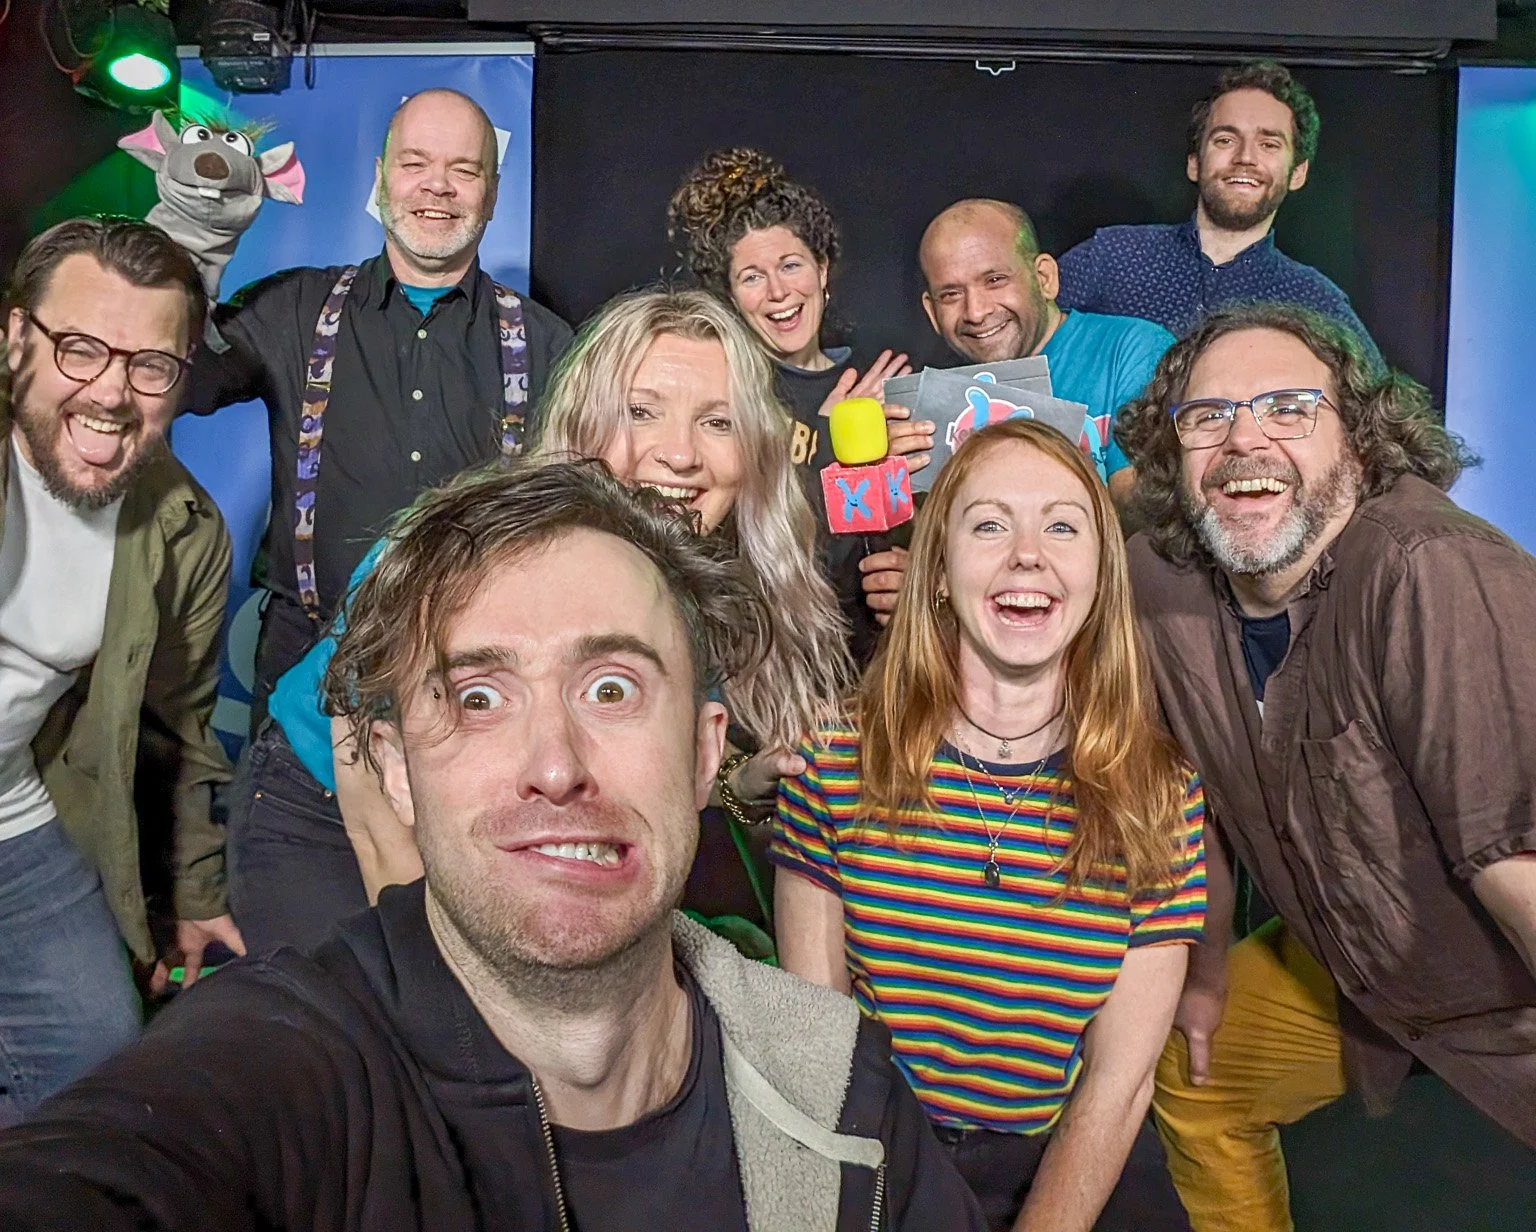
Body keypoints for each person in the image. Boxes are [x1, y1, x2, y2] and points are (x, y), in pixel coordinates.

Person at [0, 459, 985, 1232]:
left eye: (611, 689)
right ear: (395, 771)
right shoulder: (286, 1066)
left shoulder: (835, 1080)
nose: (555, 767)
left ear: (703, 752)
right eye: (479, 698)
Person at [258, 288, 853, 951]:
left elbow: (632, 754)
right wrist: (438, 986)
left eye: (717, 422)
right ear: (583, 421)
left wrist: (740, 784)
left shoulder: (694, 581)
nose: (681, 454)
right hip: (329, 811)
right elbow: (370, 787)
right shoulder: (472, 553)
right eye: (640, 412)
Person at [1114, 303, 1536, 1232]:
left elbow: (1517, 865)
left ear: (1361, 438)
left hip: (1509, 994)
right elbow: (1194, 802)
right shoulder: (1160, 583)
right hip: (1354, 965)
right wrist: (1206, 973)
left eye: (1289, 407)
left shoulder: (1431, 570)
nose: (1244, 440)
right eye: (1208, 416)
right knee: (1200, 1079)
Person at [774, 418, 1207, 1232]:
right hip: (885, 1152)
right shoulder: (836, 759)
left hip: (1062, 1153)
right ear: (938, 573)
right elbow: (818, 1047)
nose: (1028, 555)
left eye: (1062, 527)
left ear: (1100, 576)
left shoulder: (1159, 793)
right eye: (989, 526)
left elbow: (1118, 1084)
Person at [176, 90, 572, 948]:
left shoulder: (547, 347)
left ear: (492, 191)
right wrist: (191, 253)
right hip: (303, 713)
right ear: (382, 177)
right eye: (416, 164)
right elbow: (181, 381)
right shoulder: (294, 308)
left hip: (470, 712)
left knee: (455, 971)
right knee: (307, 972)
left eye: (464, 169)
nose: (438, 187)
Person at [0, 217, 239, 1121]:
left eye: (151, 366)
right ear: (16, 338)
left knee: (99, 1068)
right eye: (80, 348)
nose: (111, 392)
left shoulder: (186, 531)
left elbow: (177, 730)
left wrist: (192, 894)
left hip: (12, 816)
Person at [859, 198, 1174, 626]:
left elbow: (1147, 515)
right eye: (951, 294)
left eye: (994, 280)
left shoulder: (1133, 349)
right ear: (932, 312)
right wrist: (914, 566)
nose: (976, 311)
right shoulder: (930, 406)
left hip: (1119, 634)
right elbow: (937, 567)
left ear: (1044, 278)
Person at [669, 147, 910, 657]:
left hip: (871, 666)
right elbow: (742, 544)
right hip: (762, 660)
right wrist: (828, 442)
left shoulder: (876, 385)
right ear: (732, 296)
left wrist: (918, 577)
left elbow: (905, 533)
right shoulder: (726, 393)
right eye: (752, 277)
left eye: (790, 265)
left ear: (822, 270)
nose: (778, 292)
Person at [1056, 61, 1382, 364]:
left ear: (1297, 173)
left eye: (1269, 144)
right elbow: (1028, 333)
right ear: (1194, 164)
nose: (1245, 157)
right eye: (1225, 140)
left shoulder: (1317, 302)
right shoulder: (1113, 256)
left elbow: (1382, 404)